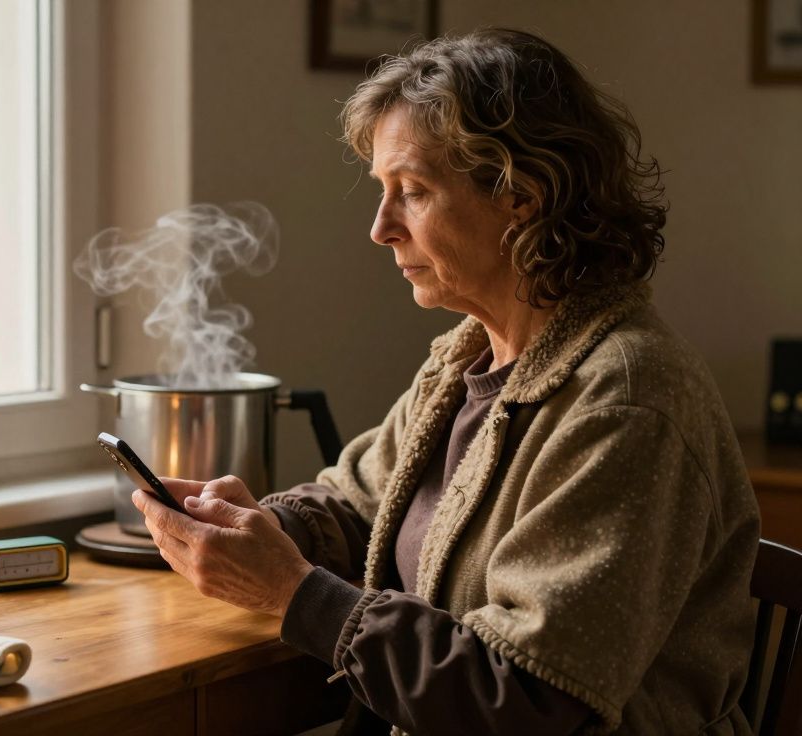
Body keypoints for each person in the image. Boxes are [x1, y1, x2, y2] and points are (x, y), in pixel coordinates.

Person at [131, 28, 760, 735]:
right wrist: (262, 529)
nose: (380, 228)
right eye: (383, 192)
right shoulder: (470, 358)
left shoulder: (627, 401)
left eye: (413, 192)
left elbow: (528, 699)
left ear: (522, 194)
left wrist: (293, 594)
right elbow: (360, 501)